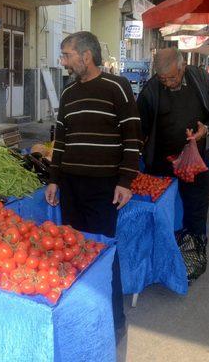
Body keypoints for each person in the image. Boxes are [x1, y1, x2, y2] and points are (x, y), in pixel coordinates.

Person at [44, 31, 141, 348]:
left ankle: (114, 320)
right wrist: (54, 179)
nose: (64, 61)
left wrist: (125, 181)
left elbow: (132, 137)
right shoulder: (68, 93)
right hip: (71, 186)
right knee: (72, 249)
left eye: (67, 55)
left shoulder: (117, 87)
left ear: (86, 56)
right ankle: (82, 316)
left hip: (104, 188)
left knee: (101, 251)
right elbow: (61, 141)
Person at [137, 48, 209, 280]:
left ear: (183, 66)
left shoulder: (201, 80)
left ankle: (193, 256)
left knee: (196, 206)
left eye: (173, 77)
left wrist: (206, 129)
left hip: (196, 160)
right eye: (163, 78)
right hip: (161, 162)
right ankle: (163, 255)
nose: (168, 83)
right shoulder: (150, 91)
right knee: (163, 211)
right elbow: (139, 130)